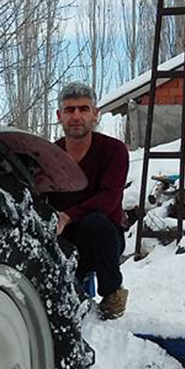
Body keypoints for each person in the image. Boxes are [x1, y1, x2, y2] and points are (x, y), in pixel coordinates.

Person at [49, 82, 129, 320]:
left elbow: (109, 198)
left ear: (96, 114)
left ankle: (112, 293)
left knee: (95, 223)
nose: (76, 116)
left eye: (84, 109)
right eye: (70, 110)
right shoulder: (49, 155)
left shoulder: (114, 150)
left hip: (103, 238)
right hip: (63, 236)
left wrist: (68, 215)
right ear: (59, 116)